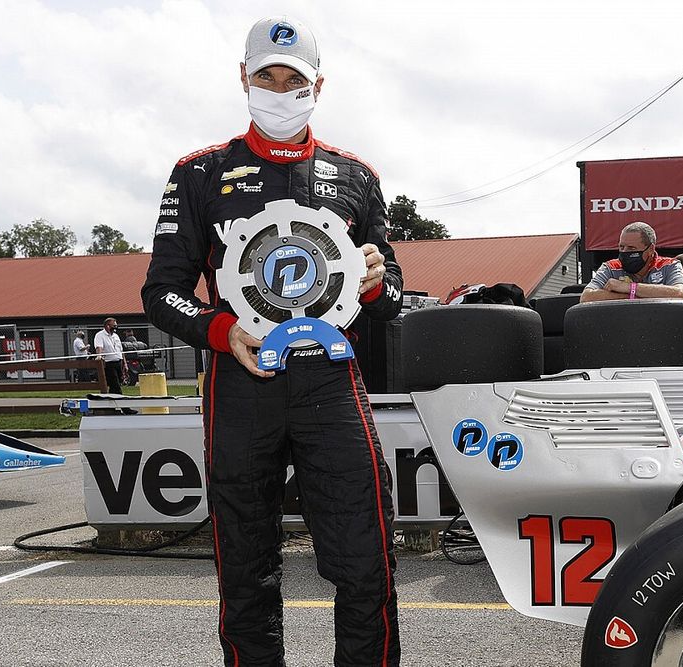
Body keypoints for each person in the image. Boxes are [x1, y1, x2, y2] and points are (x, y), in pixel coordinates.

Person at [141, 15, 403, 667]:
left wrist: (373, 281)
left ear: (319, 85)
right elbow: (162, 292)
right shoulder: (198, 174)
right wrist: (221, 330)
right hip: (240, 389)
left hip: (331, 386)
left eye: (295, 80)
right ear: (244, 79)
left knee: (366, 566)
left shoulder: (357, 177)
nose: (281, 91)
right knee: (246, 579)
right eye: (267, 77)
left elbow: (392, 297)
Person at [580, 222, 683, 302]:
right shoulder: (610, 267)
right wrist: (632, 295)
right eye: (621, 247)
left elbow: (679, 292)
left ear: (650, 249)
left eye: (631, 248)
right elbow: (586, 297)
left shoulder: (669, 265)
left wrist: (629, 287)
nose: (624, 252)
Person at [93, 317, 124, 393]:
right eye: (114, 325)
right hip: (109, 363)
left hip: (118, 362)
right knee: (114, 382)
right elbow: (99, 347)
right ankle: (119, 397)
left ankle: (112, 397)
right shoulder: (100, 335)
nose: (115, 327)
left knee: (119, 381)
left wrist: (125, 363)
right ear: (107, 326)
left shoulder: (116, 336)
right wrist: (99, 355)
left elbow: (121, 350)